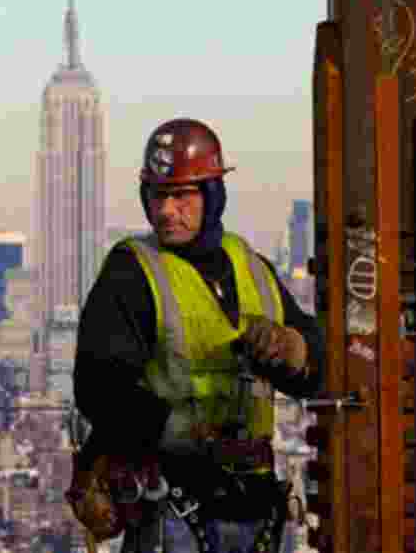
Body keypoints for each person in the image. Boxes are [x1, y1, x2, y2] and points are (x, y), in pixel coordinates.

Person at [72, 118, 324, 553]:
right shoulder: (133, 272)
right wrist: (172, 431)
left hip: (256, 504)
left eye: (181, 196)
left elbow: (318, 367)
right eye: (157, 195)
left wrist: (292, 349)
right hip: (175, 504)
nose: (166, 210)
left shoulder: (251, 266)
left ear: (212, 196)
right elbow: (99, 386)